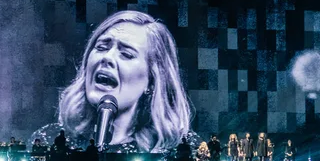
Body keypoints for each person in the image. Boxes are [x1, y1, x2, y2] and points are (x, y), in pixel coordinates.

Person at [29, 10, 201, 153]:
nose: (107, 57)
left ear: (152, 80)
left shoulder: (179, 147)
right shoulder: (48, 139)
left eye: (126, 54)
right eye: (102, 47)